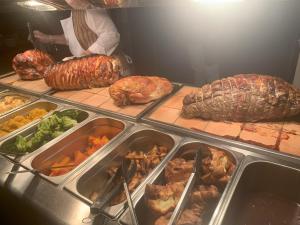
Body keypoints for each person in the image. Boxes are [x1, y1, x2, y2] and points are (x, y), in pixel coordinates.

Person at [33, 0, 120, 57]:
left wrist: (88, 53)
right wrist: (49, 39)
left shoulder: (93, 9)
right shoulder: (74, 11)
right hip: (85, 68)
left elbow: (112, 35)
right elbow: (72, 39)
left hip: (105, 66)